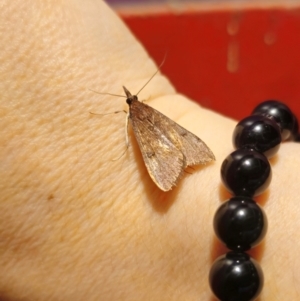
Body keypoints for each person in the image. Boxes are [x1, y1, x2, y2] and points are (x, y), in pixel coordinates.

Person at [0, 1, 299, 300]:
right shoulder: (138, 109)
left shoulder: (134, 112)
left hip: (165, 139)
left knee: (162, 140)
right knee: (172, 135)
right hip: (171, 131)